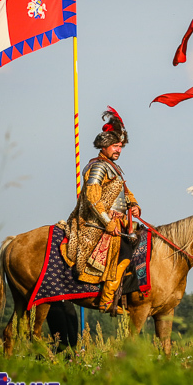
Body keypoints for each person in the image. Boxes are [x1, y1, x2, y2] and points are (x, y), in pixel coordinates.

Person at [61, 107, 141, 313]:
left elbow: (125, 191)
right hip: (96, 222)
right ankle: (106, 301)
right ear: (104, 146)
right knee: (123, 254)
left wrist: (134, 205)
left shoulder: (113, 168)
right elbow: (92, 198)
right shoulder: (98, 167)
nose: (119, 150)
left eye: (120, 146)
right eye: (115, 145)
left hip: (119, 221)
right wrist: (108, 222)